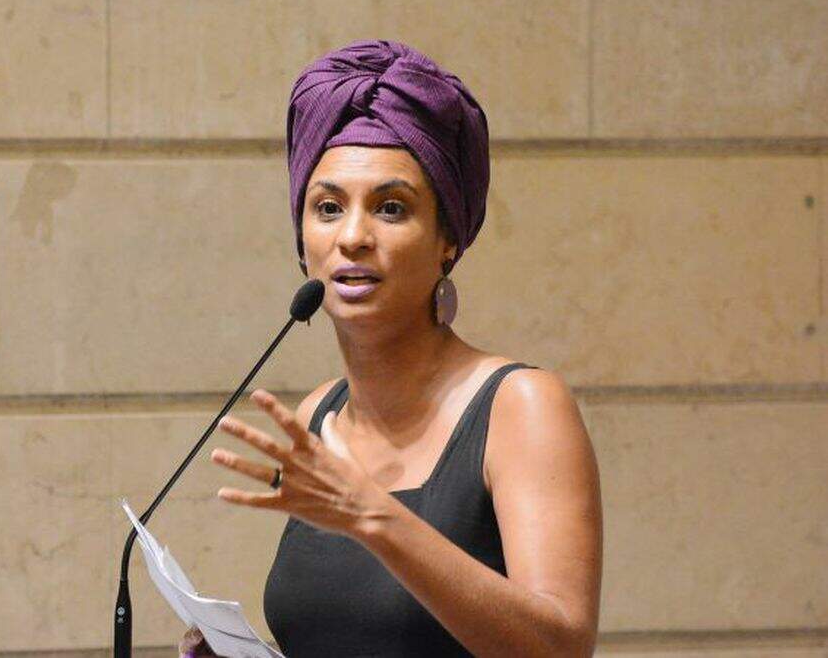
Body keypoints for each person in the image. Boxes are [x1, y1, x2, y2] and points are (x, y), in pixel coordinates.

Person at [178, 40, 602, 657]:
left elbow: (561, 647)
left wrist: (373, 517)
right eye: (328, 208)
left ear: (447, 240)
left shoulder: (521, 406)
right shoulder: (319, 413)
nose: (353, 236)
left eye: (392, 208)